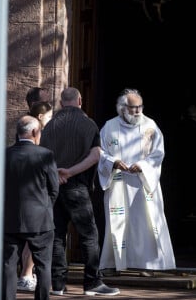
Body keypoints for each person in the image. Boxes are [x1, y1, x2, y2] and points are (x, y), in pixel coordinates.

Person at [40, 87, 120, 296]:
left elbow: (42, 156)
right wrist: (70, 172)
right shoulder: (88, 124)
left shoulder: (49, 126)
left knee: (57, 235)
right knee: (89, 235)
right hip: (77, 186)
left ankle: (58, 284)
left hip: (54, 186)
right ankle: (92, 283)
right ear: (80, 101)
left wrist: (57, 174)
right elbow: (95, 156)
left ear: (60, 102)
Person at [97, 88, 176, 276]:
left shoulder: (151, 125)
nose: (138, 111)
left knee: (145, 224)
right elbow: (100, 152)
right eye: (133, 108)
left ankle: (148, 265)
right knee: (117, 223)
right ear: (123, 108)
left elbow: (158, 153)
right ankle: (113, 264)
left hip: (142, 183)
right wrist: (113, 162)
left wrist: (142, 165)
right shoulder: (109, 127)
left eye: (140, 106)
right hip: (118, 182)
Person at [3, 115, 60, 300]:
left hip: (9, 219)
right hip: (40, 221)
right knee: (44, 266)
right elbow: (54, 188)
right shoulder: (45, 155)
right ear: (35, 132)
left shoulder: (4, 155)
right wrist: (45, 207)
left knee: (8, 265)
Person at [17, 100, 54, 292]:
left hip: (19, 206)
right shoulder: (40, 143)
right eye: (49, 117)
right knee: (34, 247)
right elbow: (52, 187)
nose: (51, 120)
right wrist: (47, 203)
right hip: (36, 205)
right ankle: (26, 274)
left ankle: (25, 274)